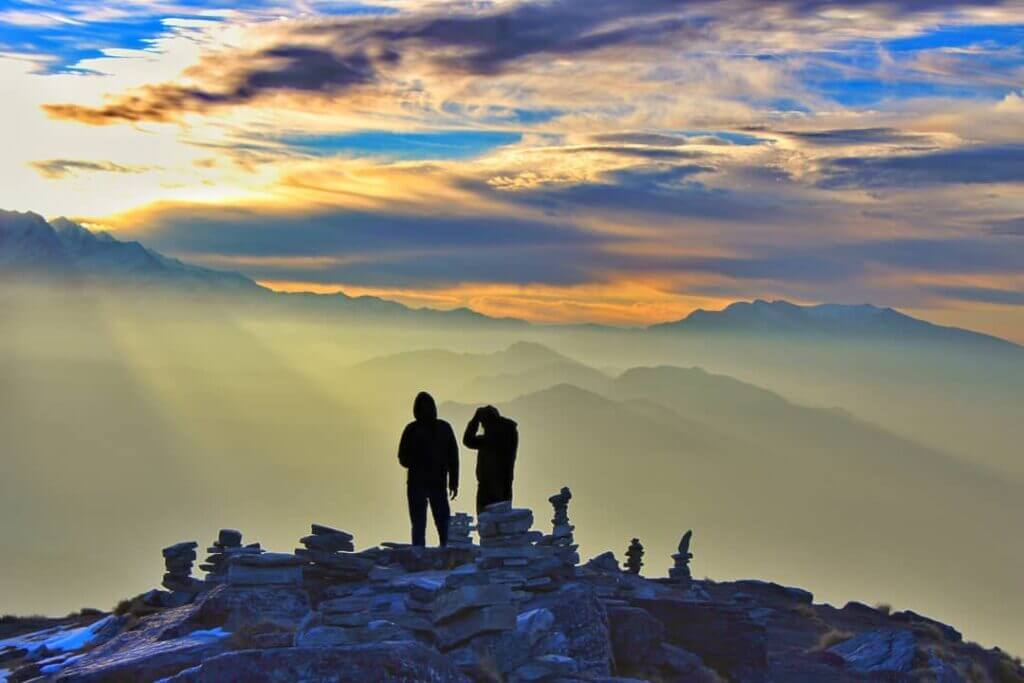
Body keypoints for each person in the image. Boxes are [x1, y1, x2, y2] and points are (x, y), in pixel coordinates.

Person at [398, 391, 459, 547]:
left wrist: (453, 481)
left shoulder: (437, 428)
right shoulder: (415, 430)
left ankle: (439, 552)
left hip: (431, 484)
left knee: (441, 524)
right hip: (422, 484)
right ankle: (423, 554)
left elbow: (453, 457)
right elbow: (402, 457)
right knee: (423, 525)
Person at [463, 405, 518, 514]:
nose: (483, 427)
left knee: (487, 524)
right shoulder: (508, 434)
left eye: (483, 424)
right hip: (503, 487)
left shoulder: (492, 439)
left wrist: (475, 419)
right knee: (502, 524)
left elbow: (468, 440)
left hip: (489, 489)